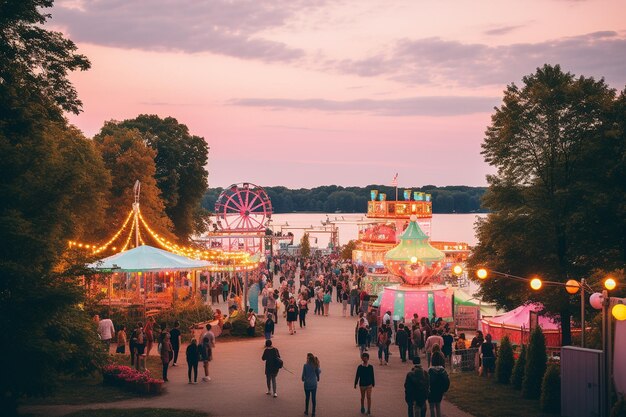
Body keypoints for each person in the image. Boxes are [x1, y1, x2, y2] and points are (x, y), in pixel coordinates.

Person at [428, 352, 450, 417]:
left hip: (431, 391)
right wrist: (444, 389)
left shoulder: (430, 370)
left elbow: (427, 381)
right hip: (440, 391)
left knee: (431, 407)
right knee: (438, 406)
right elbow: (447, 381)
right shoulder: (443, 370)